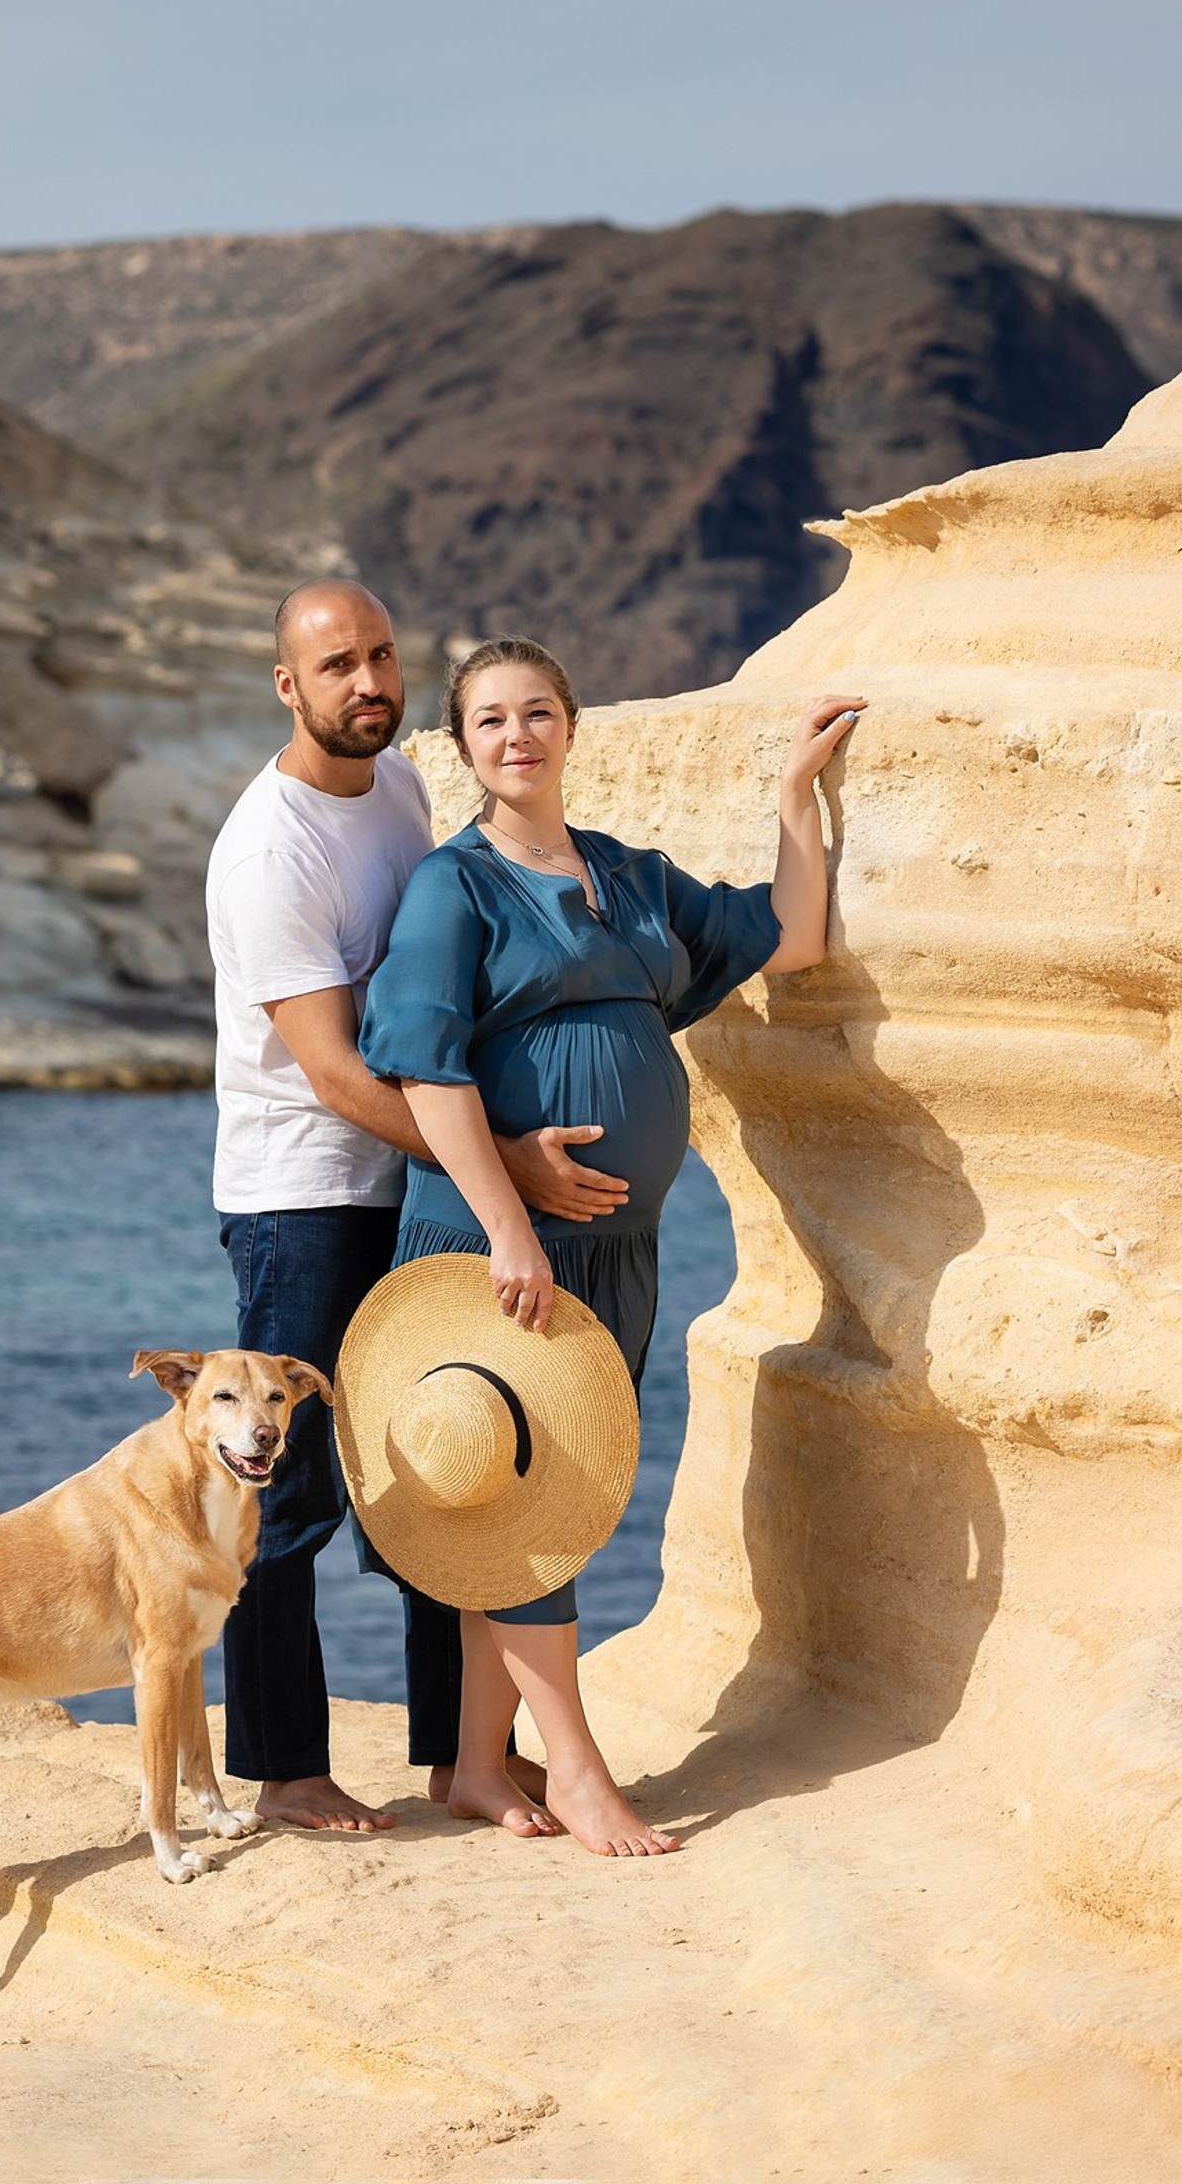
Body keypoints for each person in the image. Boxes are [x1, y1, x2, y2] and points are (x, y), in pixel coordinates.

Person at [357, 635, 859, 1855]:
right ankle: (575, 1772)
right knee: (538, 1496)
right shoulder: (452, 887)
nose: (517, 736)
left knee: (525, 1491)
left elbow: (790, 938)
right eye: (489, 721)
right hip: (497, 1251)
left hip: (616, 1249)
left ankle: (477, 1762)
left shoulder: (631, 877)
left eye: (537, 713)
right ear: (465, 748)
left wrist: (793, 797)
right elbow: (426, 1069)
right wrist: (509, 1225)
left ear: (572, 729)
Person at [205, 582, 633, 1835]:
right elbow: (336, 1072)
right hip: (303, 1197)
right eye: (336, 664)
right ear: (288, 686)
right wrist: (501, 1166)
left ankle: (461, 1759)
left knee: (447, 1457)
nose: (368, 682)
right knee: (291, 1491)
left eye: (381, 655)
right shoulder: (268, 846)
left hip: (410, 1183)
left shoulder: (395, 784)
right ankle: (285, 1768)